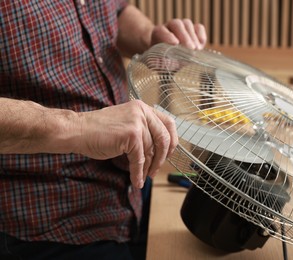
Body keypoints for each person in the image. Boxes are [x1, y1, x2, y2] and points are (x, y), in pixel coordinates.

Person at [0, 1, 207, 259]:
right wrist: (78, 125)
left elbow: (113, 11)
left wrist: (151, 38)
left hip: (129, 187)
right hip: (47, 218)